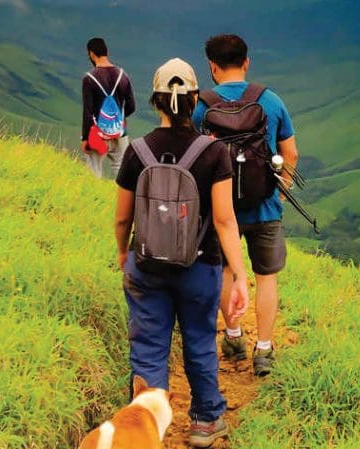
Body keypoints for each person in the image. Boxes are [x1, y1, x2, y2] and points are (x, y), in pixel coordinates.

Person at [114, 58, 249, 448]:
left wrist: (125, 254)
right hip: (200, 266)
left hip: (146, 263)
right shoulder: (213, 152)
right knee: (199, 342)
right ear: (194, 101)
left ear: (156, 101)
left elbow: (123, 219)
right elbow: (224, 221)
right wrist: (239, 275)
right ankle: (206, 421)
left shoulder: (137, 152)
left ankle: (143, 430)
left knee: (149, 346)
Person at [193, 34, 298, 377]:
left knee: (225, 271)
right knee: (266, 278)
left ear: (212, 66)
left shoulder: (201, 107)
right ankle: (264, 350)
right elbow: (291, 153)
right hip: (265, 207)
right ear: (247, 62)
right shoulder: (271, 101)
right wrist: (278, 192)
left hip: (221, 211)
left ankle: (234, 336)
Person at [81, 37, 136, 178]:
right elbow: (131, 106)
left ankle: (94, 199)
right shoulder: (123, 75)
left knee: (94, 171)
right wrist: (118, 119)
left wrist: (85, 139)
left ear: (91, 54)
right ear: (107, 52)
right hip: (120, 132)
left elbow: (88, 112)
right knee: (121, 172)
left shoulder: (89, 78)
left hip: (97, 133)